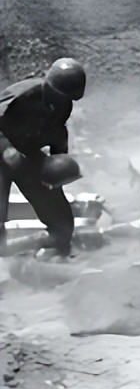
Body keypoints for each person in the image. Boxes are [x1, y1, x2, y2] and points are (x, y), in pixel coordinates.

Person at [0, 58, 87, 259]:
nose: (63, 99)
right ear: (48, 85)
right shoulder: (24, 94)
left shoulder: (63, 105)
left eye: (68, 97)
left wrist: (58, 165)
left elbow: (58, 132)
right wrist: (8, 149)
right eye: (60, 94)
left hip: (27, 156)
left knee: (59, 214)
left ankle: (57, 253)